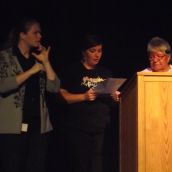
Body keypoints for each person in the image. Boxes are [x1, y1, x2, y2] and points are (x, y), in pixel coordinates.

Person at [0, 18, 60, 172]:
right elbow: (3, 86)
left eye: (40, 33)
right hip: (12, 127)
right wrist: (32, 71)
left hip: (38, 126)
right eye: (35, 33)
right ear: (22, 35)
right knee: (12, 166)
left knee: (36, 166)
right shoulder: (5, 57)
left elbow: (54, 87)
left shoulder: (38, 58)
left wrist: (46, 62)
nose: (39, 36)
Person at [56, 34, 119, 172]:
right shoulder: (72, 71)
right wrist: (83, 97)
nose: (97, 55)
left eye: (100, 51)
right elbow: (62, 97)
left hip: (100, 127)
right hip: (78, 127)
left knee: (97, 165)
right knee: (80, 164)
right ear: (83, 52)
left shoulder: (105, 72)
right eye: (93, 51)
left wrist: (114, 97)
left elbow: (111, 101)